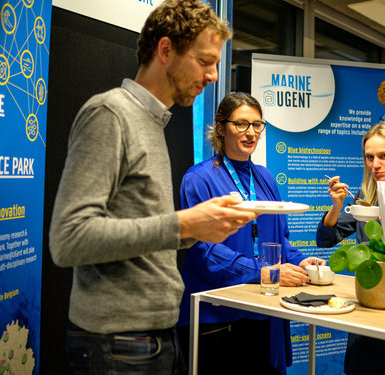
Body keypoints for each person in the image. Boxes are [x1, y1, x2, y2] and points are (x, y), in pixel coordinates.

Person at [48, 2, 257, 374]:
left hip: (152, 338)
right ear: (165, 50)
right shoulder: (110, 114)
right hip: (116, 344)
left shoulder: (152, 122)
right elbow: (68, 239)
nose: (212, 75)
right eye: (205, 61)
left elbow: (144, 231)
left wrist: (199, 229)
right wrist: (184, 225)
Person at [177, 92, 325, 375]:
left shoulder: (265, 178)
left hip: (264, 310)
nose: (251, 133)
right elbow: (205, 253)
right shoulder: (199, 178)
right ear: (220, 128)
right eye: (241, 124)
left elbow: (280, 239)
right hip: (217, 316)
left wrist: (300, 261)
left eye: (257, 125)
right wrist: (265, 272)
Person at [315, 121, 385, 375]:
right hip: (369, 311)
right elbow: (325, 239)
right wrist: (336, 205)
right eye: (369, 157)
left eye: (383, 156)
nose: (375, 165)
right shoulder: (366, 196)